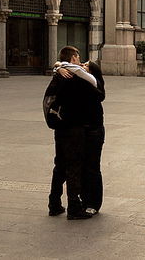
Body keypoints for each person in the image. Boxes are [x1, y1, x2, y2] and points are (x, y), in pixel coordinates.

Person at [45, 47, 105, 219]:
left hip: (60, 127)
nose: (81, 61)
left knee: (60, 166)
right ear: (73, 58)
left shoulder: (59, 75)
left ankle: (54, 203)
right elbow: (99, 94)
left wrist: (58, 67)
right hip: (75, 129)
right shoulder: (79, 79)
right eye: (79, 58)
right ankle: (74, 207)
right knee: (74, 167)